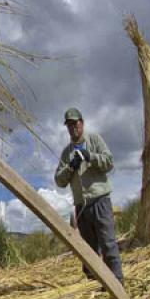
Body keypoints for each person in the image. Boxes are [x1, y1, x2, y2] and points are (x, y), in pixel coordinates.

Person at [54, 108, 124, 283]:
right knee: (89, 251)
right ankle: (94, 286)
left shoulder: (94, 140)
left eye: (75, 123)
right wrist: (71, 167)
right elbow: (59, 181)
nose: (72, 127)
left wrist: (90, 157)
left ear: (82, 123)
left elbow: (109, 162)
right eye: (69, 125)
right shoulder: (66, 153)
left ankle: (117, 286)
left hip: (100, 200)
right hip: (82, 207)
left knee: (108, 245)